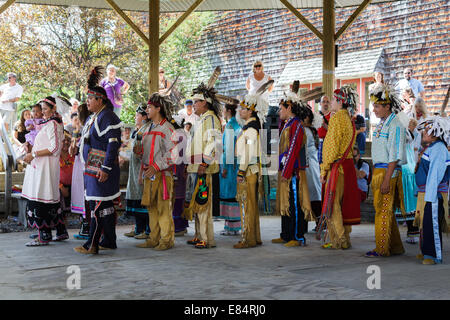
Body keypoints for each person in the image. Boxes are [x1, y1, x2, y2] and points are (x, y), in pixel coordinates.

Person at [74, 66, 122, 255]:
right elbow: (88, 139)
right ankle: (109, 240)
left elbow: (113, 144)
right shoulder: (94, 117)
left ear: (100, 100)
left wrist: (106, 168)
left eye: (90, 99)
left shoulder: (107, 117)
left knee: (99, 206)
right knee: (105, 207)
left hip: (101, 168)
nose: (87, 102)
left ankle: (92, 244)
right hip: (93, 167)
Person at [366, 84, 407, 257]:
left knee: (383, 211)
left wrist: (386, 178)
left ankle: (382, 248)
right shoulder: (383, 124)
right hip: (379, 172)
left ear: (387, 106)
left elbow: (395, 155)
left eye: (377, 106)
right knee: (385, 210)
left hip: (388, 173)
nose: (374, 110)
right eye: (374, 106)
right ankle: (396, 247)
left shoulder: (396, 125)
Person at [318, 86, 361, 250]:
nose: (331, 103)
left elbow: (331, 147)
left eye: (334, 100)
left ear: (341, 102)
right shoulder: (349, 119)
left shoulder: (337, 119)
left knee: (333, 204)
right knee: (343, 204)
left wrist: (324, 169)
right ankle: (344, 238)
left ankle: (340, 239)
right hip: (347, 166)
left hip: (337, 167)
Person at [21, 96, 66, 246]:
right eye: (43, 109)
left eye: (45, 109)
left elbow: (55, 148)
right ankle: (58, 230)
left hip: (45, 168)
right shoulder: (49, 123)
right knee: (45, 194)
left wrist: (33, 154)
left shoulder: (53, 124)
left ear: (53, 109)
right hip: (41, 166)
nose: (43, 112)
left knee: (42, 195)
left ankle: (44, 234)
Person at [272, 89, 314, 247]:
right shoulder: (287, 124)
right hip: (287, 170)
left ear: (289, 108)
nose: (279, 111)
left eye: (281, 108)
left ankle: (297, 237)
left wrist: (287, 170)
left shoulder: (296, 125)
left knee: (295, 203)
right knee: (286, 203)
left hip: (295, 172)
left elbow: (293, 149)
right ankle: (286, 234)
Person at [136, 93, 177, 251]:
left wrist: (157, 165)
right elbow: (145, 152)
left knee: (163, 207)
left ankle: (166, 239)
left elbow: (173, 153)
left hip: (162, 175)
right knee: (151, 207)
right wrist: (139, 151)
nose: (147, 110)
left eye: (150, 107)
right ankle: (154, 237)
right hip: (149, 174)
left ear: (158, 109)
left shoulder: (167, 128)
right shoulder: (147, 127)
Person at [184, 82, 222, 249]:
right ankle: (199, 234)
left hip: (204, 168)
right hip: (196, 167)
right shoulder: (202, 120)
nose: (194, 105)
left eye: (196, 102)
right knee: (198, 202)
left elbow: (213, 143)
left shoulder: (212, 119)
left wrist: (204, 164)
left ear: (204, 103)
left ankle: (206, 238)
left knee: (203, 202)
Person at [414, 116, 450, 265]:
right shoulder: (433, 147)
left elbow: (435, 173)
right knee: (426, 223)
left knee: (432, 223)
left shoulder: (439, 149)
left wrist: (431, 195)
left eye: (428, 130)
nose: (424, 132)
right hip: (428, 193)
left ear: (436, 133)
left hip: (433, 194)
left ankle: (434, 255)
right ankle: (426, 251)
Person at [124, 105, 151, 239]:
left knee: (142, 199)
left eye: (137, 115)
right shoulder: (138, 130)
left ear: (145, 116)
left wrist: (141, 173)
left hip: (141, 168)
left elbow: (144, 154)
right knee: (136, 198)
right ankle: (138, 228)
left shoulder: (146, 130)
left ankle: (147, 230)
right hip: (134, 169)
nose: (135, 118)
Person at [219, 103, 242, 236]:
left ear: (228, 111)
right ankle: (233, 226)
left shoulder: (230, 126)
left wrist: (225, 167)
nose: (222, 112)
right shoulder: (236, 124)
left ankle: (231, 227)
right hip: (235, 164)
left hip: (230, 165)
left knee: (229, 194)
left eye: (223, 110)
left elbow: (228, 148)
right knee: (233, 193)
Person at [70, 103, 92, 240]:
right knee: (80, 194)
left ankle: (87, 224)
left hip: (85, 165)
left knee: (85, 195)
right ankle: (83, 223)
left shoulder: (88, 129)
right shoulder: (79, 131)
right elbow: (73, 150)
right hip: (78, 165)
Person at [300, 105, 322, 229]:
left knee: (312, 195)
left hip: (308, 167)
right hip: (310, 166)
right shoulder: (309, 130)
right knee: (312, 194)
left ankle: (320, 222)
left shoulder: (306, 131)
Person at [59, 130, 75, 214]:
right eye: (63, 140)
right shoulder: (55, 157)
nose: (66, 142)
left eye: (68, 140)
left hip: (73, 186)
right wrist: (61, 187)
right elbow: (51, 176)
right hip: (59, 187)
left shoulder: (74, 155)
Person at [368, 72, 384, 137]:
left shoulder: (384, 85)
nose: (379, 78)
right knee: (374, 123)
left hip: (382, 105)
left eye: (380, 76)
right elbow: (371, 96)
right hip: (374, 104)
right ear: (374, 77)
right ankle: (373, 138)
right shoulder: (371, 86)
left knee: (381, 123)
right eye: (377, 76)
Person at [317, 95, 332, 164]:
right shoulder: (316, 115)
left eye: (327, 102)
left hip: (328, 143)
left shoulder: (333, 115)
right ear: (320, 103)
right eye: (323, 102)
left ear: (330, 103)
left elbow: (333, 131)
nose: (325, 104)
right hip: (317, 143)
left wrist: (324, 124)